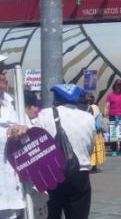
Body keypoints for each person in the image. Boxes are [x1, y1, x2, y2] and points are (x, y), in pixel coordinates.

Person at [9, 84, 95, 219]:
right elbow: (90, 148)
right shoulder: (88, 117)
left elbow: (31, 138)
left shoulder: (45, 115)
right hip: (80, 174)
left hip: (53, 173)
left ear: (56, 98)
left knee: (53, 213)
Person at [0, 73, 26, 219]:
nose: (3, 75)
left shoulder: (12, 104)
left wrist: (23, 130)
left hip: (10, 186)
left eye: (3, 71)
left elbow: (29, 129)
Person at [105, 79, 121, 156]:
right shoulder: (110, 95)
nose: (118, 87)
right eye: (117, 85)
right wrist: (105, 115)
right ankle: (114, 150)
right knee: (113, 134)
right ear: (114, 86)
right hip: (112, 115)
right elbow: (107, 106)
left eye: (120, 85)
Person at [86, 92, 106, 173]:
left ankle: (90, 165)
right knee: (95, 149)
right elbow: (98, 121)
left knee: (89, 149)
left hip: (88, 131)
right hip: (96, 132)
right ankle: (94, 167)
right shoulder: (95, 107)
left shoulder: (84, 107)